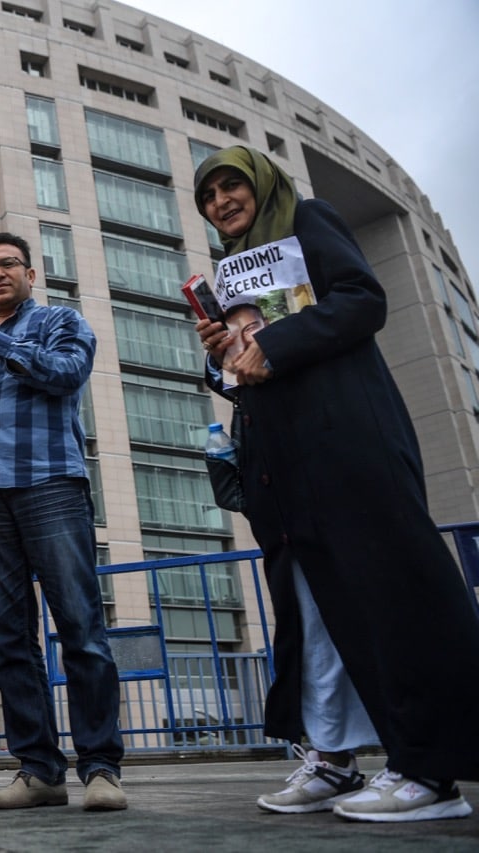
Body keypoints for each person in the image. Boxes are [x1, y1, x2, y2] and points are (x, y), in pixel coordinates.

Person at [193, 145, 479, 822]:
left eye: (232, 186)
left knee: (391, 590)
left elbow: (362, 299)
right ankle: (333, 754)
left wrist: (279, 342)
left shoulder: (309, 221)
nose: (221, 202)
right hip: (283, 462)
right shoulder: (235, 273)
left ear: (261, 184)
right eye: (208, 195)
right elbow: (249, 373)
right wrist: (223, 357)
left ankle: (430, 769)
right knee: (315, 609)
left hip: (348, 440)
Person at [0, 232, 126, 813]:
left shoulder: (58, 322)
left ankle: (101, 768)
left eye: (8, 264)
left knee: (80, 628)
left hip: (51, 486)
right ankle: (40, 771)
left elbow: (66, 374)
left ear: (31, 273)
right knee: (7, 639)